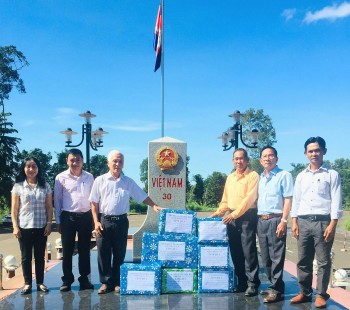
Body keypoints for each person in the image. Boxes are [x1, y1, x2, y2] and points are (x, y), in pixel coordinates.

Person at [90, 150, 163, 294]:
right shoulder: (100, 180)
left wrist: (153, 205)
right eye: (115, 161)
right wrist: (96, 222)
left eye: (120, 161)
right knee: (103, 252)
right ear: (108, 163)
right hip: (104, 221)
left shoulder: (128, 181)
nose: (117, 164)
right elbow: (93, 203)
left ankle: (117, 282)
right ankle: (105, 283)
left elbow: (141, 196)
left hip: (122, 222)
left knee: (119, 253)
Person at [290, 136, 343, 308]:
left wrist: (333, 224)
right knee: (303, 260)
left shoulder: (332, 174)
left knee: (323, 261)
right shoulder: (301, 176)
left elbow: (336, 200)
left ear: (324, 152)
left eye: (317, 150)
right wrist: (294, 221)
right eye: (310, 151)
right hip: (303, 221)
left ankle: (321, 294)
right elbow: (296, 200)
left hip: (323, 223)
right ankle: (304, 293)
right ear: (305, 153)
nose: (314, 153)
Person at [211, 148, 260, 296]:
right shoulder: (230, 177)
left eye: (242, 158)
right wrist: (219, 212)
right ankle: (242, 282)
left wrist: (234, 214)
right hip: (231, 217)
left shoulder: (253, 176)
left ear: (247, 160)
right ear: (233, 160)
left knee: (249, 251)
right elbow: (226, 199)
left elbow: (249, 199)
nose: (239, 161)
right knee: (235, 251)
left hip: (247, 216)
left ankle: (253, 284)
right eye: (236, 159)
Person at [54, 148, 94, 291]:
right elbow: (57, 200)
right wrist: (57, 220)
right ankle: (67, 280)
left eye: (78, 159)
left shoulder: (89, 177)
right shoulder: (60, 178)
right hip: (67, 217)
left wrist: (95, 220)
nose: (75, 162)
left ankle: (85, 279)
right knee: (67, 250)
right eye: (72, 160)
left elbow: (93, 199)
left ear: (82, 161)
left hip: (85, 217)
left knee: (85, 250)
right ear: (67, 161)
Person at [11, 157, 53, 295]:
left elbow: (48, 206)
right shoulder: (18, 186)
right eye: (28, 166)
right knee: (26, 257)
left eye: (34, 166)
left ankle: (40, 282)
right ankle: (27, 283)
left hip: (41, 226)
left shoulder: (45, 185)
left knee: (40, 256)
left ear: (38, 168)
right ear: (24, 168)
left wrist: (49, 224)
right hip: (24, 227)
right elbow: (14, 209)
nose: (31, 169)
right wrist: (15, 226)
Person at [257, 146, 293, 303]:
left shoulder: (284, 175)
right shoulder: (260, 177)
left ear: (276, 158)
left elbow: (288, 199)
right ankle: (276, 285)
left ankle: (275, 290)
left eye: (271, 155)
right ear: (260, 160)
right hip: (261, 220)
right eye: (264, 156)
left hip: (276, 219)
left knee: (276, 256)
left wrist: (284, 221)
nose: (267, 158)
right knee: (265, 257)